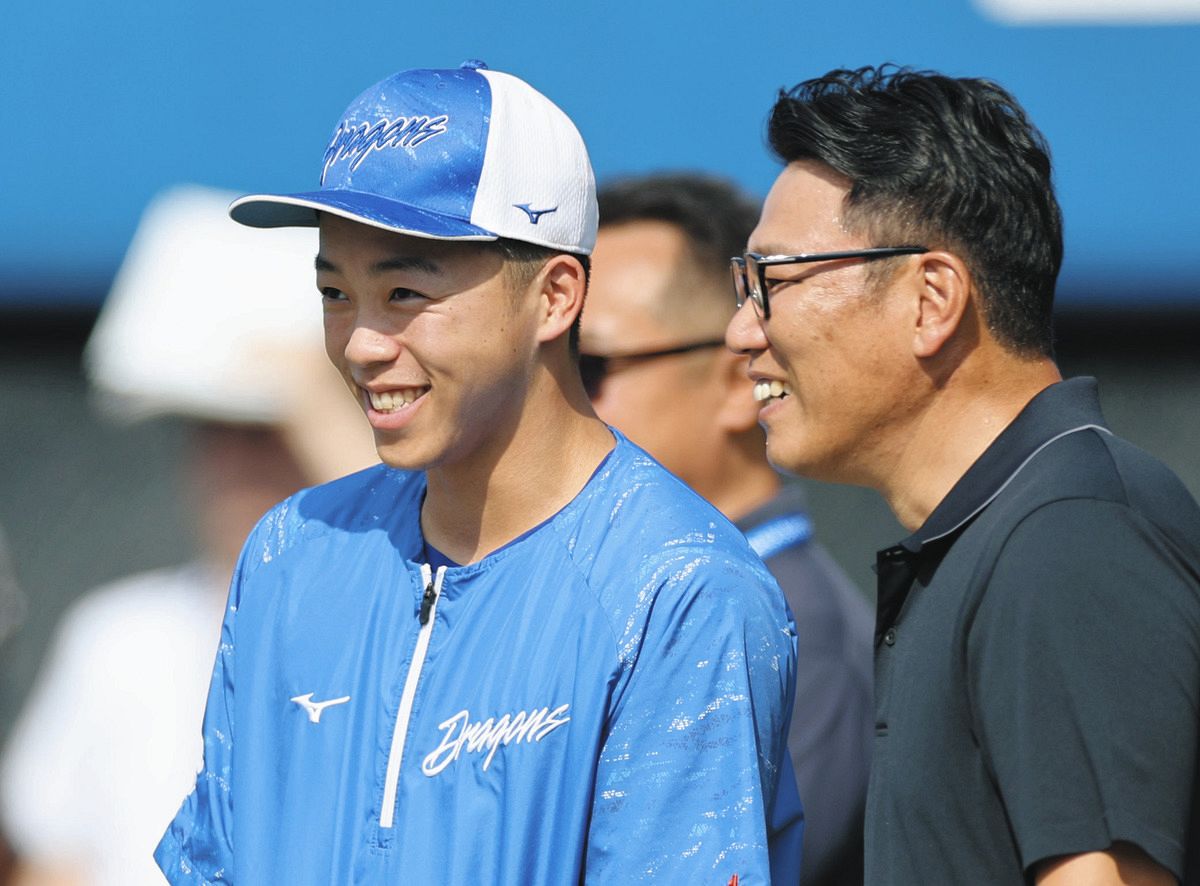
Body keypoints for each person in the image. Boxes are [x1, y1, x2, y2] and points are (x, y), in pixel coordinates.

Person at [155, 61, 802, 885]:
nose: (359, 343)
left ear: (557, 295)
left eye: (401, 292)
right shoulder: (289, 553)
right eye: (334, 292)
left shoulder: (684, 590)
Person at [726, 64, 1200, 885]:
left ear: (930, 298)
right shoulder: (1009, 538)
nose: (739, 332)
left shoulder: (1070, 538)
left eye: (773, 281)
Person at [0, 185, 377, 886]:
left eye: (267, 433)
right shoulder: (117, 636)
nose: (236, 465)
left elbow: (429, 557)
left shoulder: (409, 638)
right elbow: (52, 865)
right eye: (215, 431)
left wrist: (315, 397)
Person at [583, 172, 872, 886]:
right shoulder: (622, 600)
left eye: (586, 366)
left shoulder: (793, 636)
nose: (550, 401)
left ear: (736, 378)